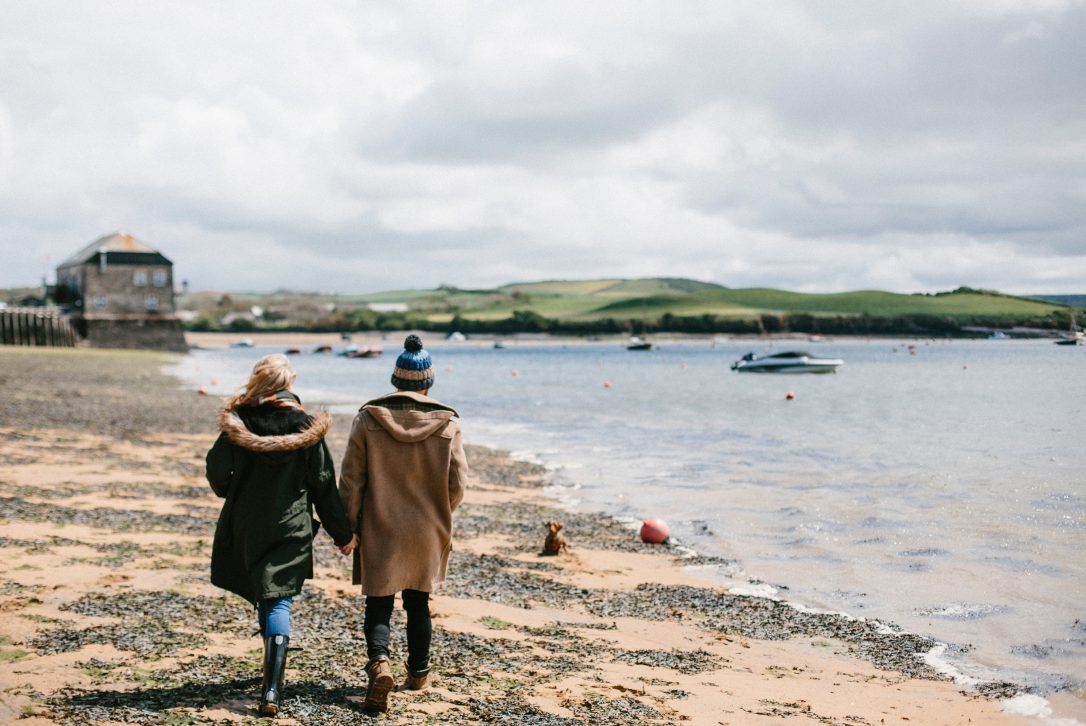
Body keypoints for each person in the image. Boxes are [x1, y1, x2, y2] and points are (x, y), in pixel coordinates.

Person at [205, 354, 358, 717]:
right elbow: (323, 487)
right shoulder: (307, 429)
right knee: (278, 599)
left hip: (245, 522)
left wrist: (233, 490)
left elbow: (216, 472)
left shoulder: (238, 424)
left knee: (265, 592)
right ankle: (272, 688)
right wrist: (343, 534)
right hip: (290, 525)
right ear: (288, 386)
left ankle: (269, 674)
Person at [338, 334, 469, 713]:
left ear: (396, 380)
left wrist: (348, 527)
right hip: (427, 527)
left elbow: (351, 481)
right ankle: (418, 674)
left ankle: (379, 664)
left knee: (378, 604)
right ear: (428, 382)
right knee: (418, 603)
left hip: (380, 525)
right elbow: (458, 483)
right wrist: (442, 513)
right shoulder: (447, 423)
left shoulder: (368, 419)